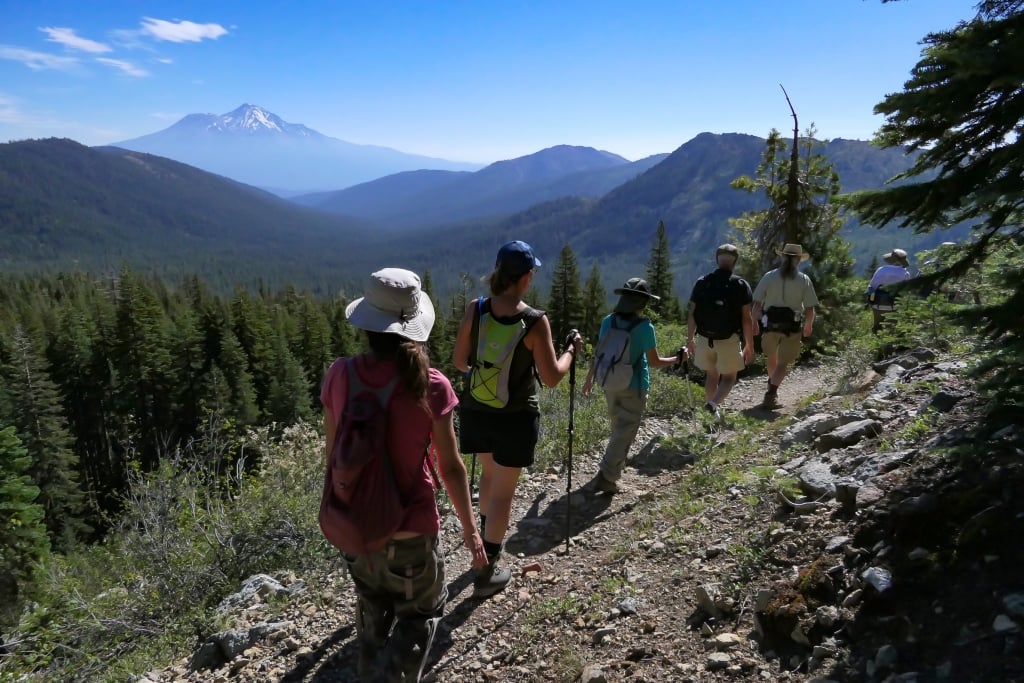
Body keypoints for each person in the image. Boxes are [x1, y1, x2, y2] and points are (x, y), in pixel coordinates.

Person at [320, 267, 487, 682]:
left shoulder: (340, 374)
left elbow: (331, 454)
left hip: (354, 526)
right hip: (411, 533)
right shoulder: (432, 385)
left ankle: (366, 667)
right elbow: (450, 467)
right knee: (419, 614)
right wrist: (470, 529)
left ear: (368, 325)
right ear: (413, 327)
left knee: (372, 600)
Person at [453, 240, 582, 599]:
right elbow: (553, 377)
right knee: (503, 496)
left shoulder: (475, 310)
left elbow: (459, 362)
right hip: (515, 417)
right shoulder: (534, 321)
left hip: (477, 410)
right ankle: (486, 569)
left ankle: (481, 545)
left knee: (489, 479)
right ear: (525, 277)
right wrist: (572, 350)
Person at [582, 278, 682, 493]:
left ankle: (613, 469)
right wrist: (676, 359)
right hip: (634, 384)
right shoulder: (645, 327)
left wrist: (590, 377)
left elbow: (600, 351)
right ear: (642, 303)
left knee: (618, 427)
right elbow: (654, 362)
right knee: (625, 430)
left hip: (609, 381)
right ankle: (607, 476)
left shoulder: (608, 321)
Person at [686, 244, 755, 417]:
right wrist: (749, 345)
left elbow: (692, 313)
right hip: (728, 339)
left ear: (718, 259)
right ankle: (713, 404)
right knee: (730, 377)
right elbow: (746, 319)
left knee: (711, 374)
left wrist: (690, 340)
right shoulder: (740, 285)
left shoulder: (703, 282)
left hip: (703, 337)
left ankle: (712, 411)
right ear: (735, 261)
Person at [751, 243, 819, 410]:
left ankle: (772, 384)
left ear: (782, 257)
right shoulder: (803, 279)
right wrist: (809, 325)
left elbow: (757, 303)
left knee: (772, 356)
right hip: (792, 326)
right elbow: (810, 308)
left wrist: (754, 322)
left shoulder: (769, 276)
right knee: (782, 363)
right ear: (798, 260)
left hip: (770, 324)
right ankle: (771, 394)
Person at [866, 248, 911, 333]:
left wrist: (871, 302)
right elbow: (906, 293)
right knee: (891, 330)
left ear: (891, 259)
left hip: (878, 304)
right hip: (894, 305)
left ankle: (875, 343)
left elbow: (871, 287)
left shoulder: (881, 270)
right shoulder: (905, 274)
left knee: (877, 328)